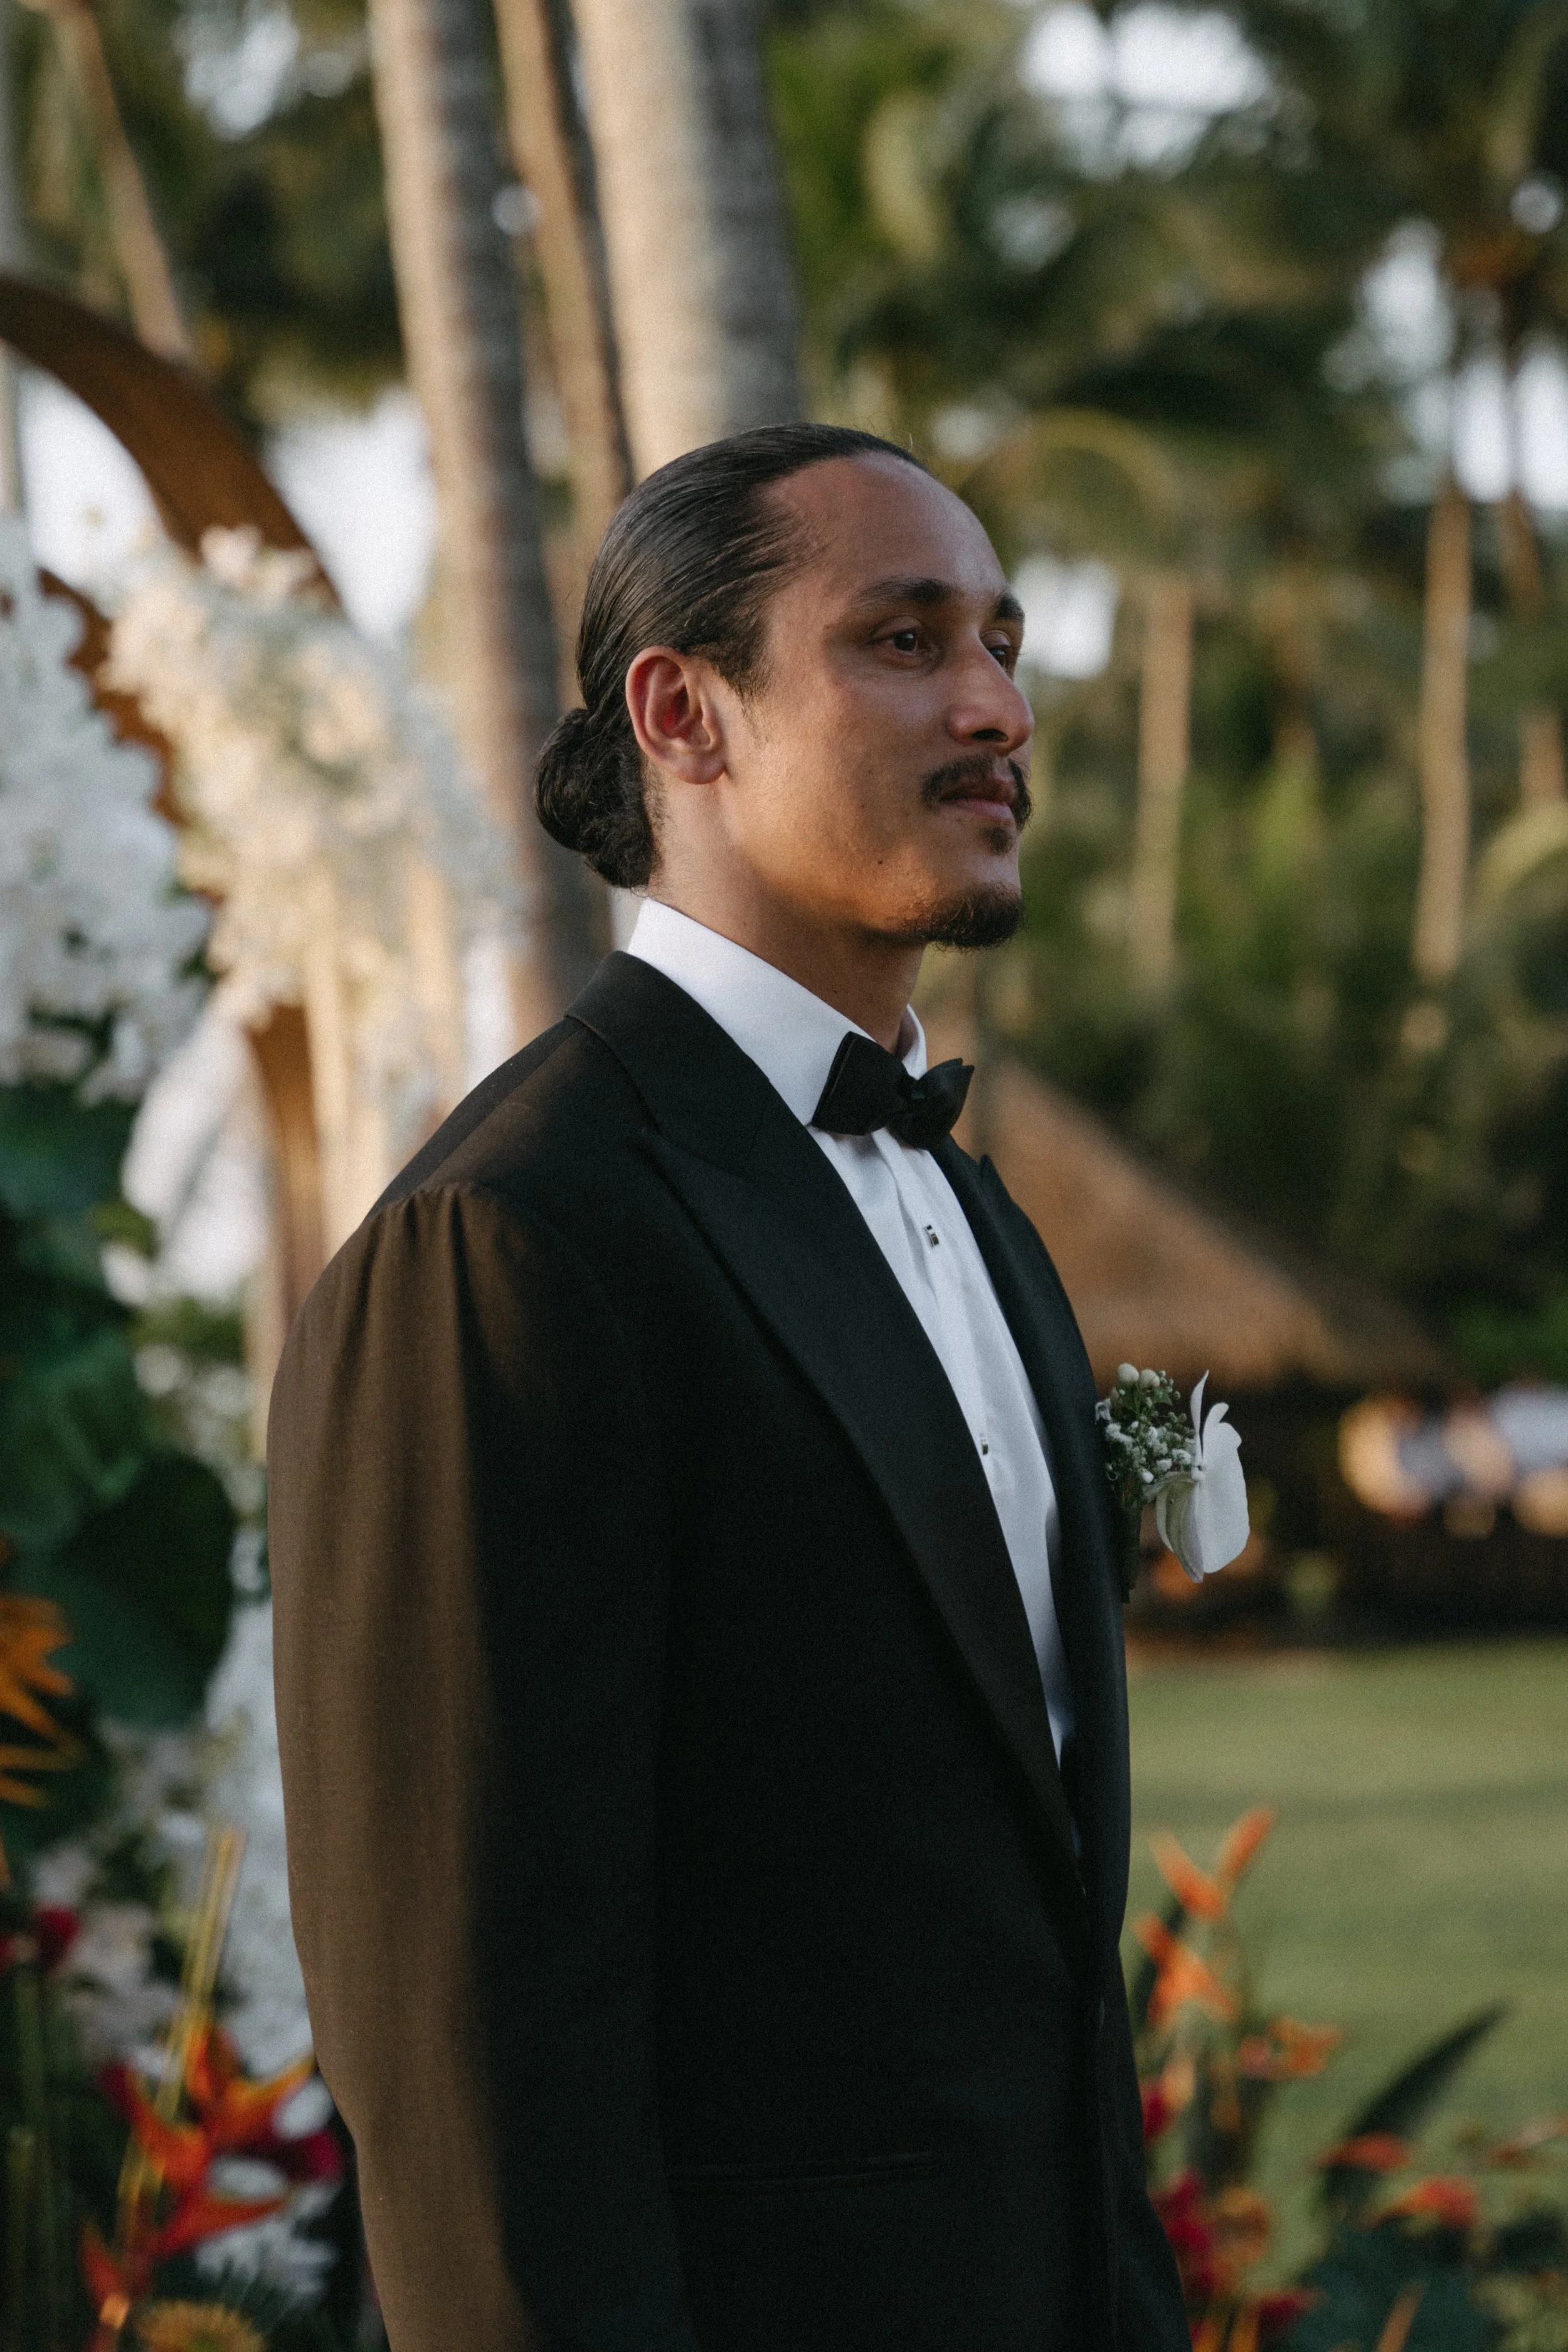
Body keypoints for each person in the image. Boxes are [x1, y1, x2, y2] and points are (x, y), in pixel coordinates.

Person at [268, 423, 1189, 2352]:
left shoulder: (971, 1213)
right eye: (902, 639)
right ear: (682, 714)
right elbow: (467, 2050)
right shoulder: (510, 1241)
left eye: (1002, 643)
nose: (996, 705)